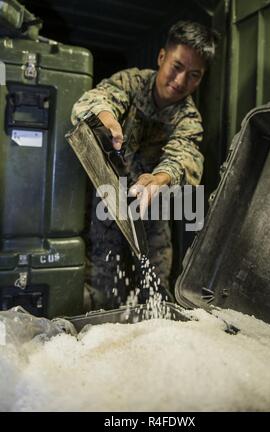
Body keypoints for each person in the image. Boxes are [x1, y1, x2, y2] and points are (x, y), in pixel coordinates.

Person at [71, 20, 218, 310]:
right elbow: (98, 99)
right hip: (105, 208)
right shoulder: (131, 82)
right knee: (99, 294)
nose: (179, 81)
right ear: (162, 57)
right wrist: (105, 117)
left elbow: (184, 156)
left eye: (193, 75)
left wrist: (160, 179)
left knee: (156, 295)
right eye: (176, 67)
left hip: (153, 214)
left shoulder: (189, 118)